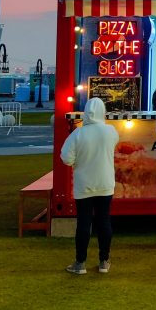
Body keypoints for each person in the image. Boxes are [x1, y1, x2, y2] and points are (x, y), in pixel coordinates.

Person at [59, 97, 118, 275]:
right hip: (105, 183)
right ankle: (104, 261)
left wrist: (78, 162)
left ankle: (80, 263)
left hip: (84, 184)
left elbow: (66, 158)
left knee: (84, 223)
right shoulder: (111, 131)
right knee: (104, 221)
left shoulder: (78, 133)